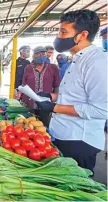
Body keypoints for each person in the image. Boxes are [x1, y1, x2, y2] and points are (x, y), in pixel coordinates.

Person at [36, 9, 107, 172]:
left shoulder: (97, 63)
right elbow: (74, 95)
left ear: (82, 35)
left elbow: (101, 109)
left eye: (63, 32)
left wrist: (54, 108)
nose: (59, 37)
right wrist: (51, 96)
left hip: (79, 141)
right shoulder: (75, 60)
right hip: (62, 134)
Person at [21, 46, 60, 127]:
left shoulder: (53, 68)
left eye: (43, 53)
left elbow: (57, 85)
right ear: (33, 55)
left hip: (46, 104)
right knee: (28, 127)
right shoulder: (28, 68)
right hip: (30, 104)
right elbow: (24, 85)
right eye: (37, 53)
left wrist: (55, 100)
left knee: (44, 128)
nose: (40, 55)